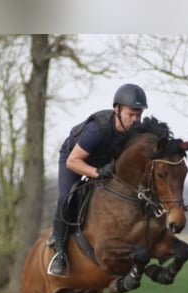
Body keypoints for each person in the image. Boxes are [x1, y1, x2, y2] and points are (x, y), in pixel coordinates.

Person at [46, 83, 148, 278]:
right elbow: (73, 161)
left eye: (138, 115)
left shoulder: (134, 131)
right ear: (117, 109)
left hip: (103, 161)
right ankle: (59, 252)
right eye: (131, 114)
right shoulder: (97, 129)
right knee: (66, 198)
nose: (135, 120)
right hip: (75, 159)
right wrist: (98, 172)